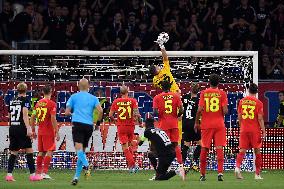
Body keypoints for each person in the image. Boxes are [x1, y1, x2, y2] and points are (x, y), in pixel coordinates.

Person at [65, 78, 103, 185]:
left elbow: (67, 112)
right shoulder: (93, 98)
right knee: (82, 152)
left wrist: (73, 114)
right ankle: (76, 177)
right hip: (89, 126)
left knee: (79, 151)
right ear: (88, 87)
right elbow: (100, 111)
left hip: (77, 124)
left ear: (78, 86)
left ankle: (87, 165)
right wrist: (97, 123)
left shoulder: (74, 97)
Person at [5, 82, 42, 182]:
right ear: (26, 90)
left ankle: (9, 175)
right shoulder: (25, 100)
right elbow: (25, 115)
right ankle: (33, 175)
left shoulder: (12, 100)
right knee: (29, 150)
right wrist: (29, 128)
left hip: (12, 127)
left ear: (17, 90)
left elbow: (9, 116)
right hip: (22, 128)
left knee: (13, 152)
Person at [195, 74, 228, 181]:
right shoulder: (222, 93)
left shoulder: (204, 93)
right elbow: (225, 111)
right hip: (219, 125)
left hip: (206, 125)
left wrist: (196, 123)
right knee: (219, 148)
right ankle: (220, 173)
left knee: (204, 149)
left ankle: (202, 175)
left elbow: (199, 110)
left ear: (209, 82)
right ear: (218, 83)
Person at [235, 83, 266, 180]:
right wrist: (264, 131)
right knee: (257, 151)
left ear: (248, 91)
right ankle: (257, 174)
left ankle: (237, 167)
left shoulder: (242, 101)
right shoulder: (259, 103)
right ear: (256, 92)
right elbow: (260, 118)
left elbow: (239, 116)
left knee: (242, 150)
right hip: (254, 130)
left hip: (244, 129)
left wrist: (241, 127)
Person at [142, 113, 185, 181]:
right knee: (151, 154)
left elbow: (141, 142)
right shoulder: (158, 129)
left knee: (159, 177)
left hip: (165, 155)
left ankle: (177, 171)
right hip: (171, 152)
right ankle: (164, 172)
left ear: (145, 123)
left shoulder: (147, 131)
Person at [109, 85, 141, 173]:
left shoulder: (116, 101)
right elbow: (136, 114)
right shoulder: (132, 101)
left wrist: (115, 121)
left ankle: (133, 165)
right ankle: (131, 167)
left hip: (121, 126)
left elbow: (110, 115)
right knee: (129, 147)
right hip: (131, 126)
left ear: (120, 93)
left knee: (125, 148)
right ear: (128, 91)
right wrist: (140, 122)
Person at [153, 80, 184, 169]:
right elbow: (181, 110)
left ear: (162, 88)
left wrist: (159, 115)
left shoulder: (157, 97)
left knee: (164, 146)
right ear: (170, 87)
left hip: (163, 125)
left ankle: (165, 166)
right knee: (175, 145)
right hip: (174, 124)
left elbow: (155, 112)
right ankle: (181, 165)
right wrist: (177, 116)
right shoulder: (176, 96)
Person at [30, 84, 60, 179]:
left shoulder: (38, 103)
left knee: (41, 152)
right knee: (50, 151)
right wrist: (57, 131)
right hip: (48, 131)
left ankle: (38, 173)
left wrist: (33, 130)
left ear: (43, 92)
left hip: (40, 131)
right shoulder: (52, 104)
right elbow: (53, 118)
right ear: (51, 91)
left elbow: (32, 117)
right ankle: (44, 173)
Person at [181, 83, 201, 171]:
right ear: (198, 90)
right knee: (201, 144)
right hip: (194, 123)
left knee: (186, 144)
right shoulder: (198, 100)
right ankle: (194, 162)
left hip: (185, 123)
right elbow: (199, 112)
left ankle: (182, 165)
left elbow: (181, 109)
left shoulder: (184, 97)